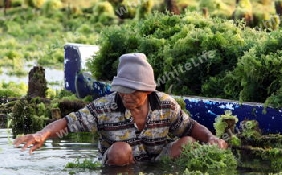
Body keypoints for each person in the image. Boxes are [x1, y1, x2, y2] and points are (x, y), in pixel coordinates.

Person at [13, 53, 227, 166]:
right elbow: (69, 122)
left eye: (133, 92)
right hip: (119, 165)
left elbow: (190, 128)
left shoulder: (166, 105)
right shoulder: (104, 107)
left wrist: (211, 139)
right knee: (120, 151)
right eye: (123, 91)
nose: (127, 97)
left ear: (147, 91)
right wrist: (42, 134)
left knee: (188, 143)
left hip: (157, 162)